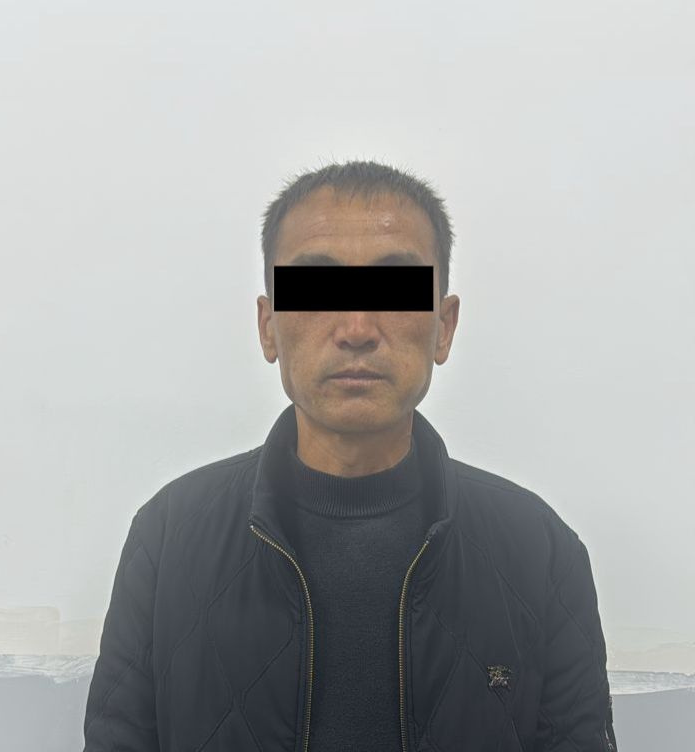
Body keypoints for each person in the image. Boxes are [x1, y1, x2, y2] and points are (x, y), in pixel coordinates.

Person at [83, 160, 618, 751]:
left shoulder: (541, 551)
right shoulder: (166, 538)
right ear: (268, 326)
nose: (357, 327)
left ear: (444, 327)